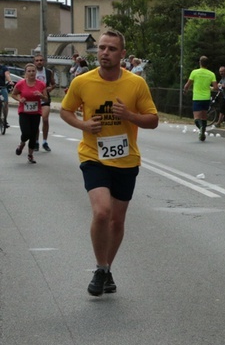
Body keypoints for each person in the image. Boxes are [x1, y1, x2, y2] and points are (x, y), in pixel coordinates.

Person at [59, 29, 159, 297]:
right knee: (102, 212)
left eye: (111, 49)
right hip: (94, 156)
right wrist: (83, 124)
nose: (105, 53)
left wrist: (129, 115)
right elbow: (65, 110)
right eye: (102, 48)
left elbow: (153, 120)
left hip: (126, 160)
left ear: (122, 54)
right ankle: (101, 267)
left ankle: (106, 269)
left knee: (117, 220)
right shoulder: (83, 81)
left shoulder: (135, 84)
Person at [10, 63, 48, 164]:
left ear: (36, 72)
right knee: (26, 133)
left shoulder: (41, 84)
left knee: (33, 134)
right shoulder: (21, 84)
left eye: (33, 71)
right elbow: (13, 94)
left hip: (36, 112)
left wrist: (41, 95)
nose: (31, 73)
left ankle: (30, 155)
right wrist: (19, 99)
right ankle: (22, 144)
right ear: (25, 73)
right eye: (29, 71)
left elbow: (46, 98)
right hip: (24, 112)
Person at [183, 55, 218, 141]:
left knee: (196, 118)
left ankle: (201, 128)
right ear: (207, 64)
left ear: (200, 63)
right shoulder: (211, 74)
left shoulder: (194, 72)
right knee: (204, 116)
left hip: (197, 97)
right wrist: (210, 88)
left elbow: (187, 85)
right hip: (206, 98)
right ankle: (203, 132)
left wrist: (185, 90)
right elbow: (216, 87)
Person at [33, 53, 57, 152]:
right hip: (34, 100)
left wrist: (50, 88)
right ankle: (36, 142)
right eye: (37, 60)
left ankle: (45, 141)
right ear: (34, 62)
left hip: (45, 99)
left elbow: (54, 84)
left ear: (44, 62)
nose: (39, 62)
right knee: (35, 122)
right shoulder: (32, 72)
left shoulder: (48, 72)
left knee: (45, 119)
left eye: (41, 60)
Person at [0, 60, 11, 129]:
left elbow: (7, 74)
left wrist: (10, 81)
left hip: (2, 87)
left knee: (6, 103)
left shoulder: (4, 68)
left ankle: (5, 120)